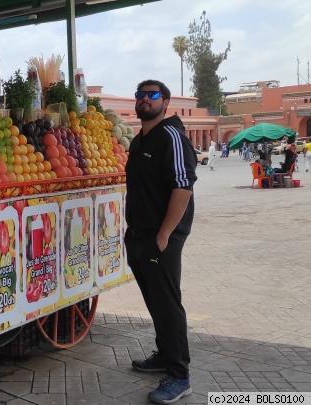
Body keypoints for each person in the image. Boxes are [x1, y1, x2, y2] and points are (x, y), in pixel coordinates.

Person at [125, 80, 196, 404]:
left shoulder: (171, 137)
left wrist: (165, 235)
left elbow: (182, 188)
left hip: (161, 236)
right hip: (140, 234)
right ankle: (165, 355)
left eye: (152, 95)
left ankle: (179, 376)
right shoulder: (140, 140)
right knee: (154, 300)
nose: (144, 100)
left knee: (167, 303)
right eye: (140, 95)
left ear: (165, 102)